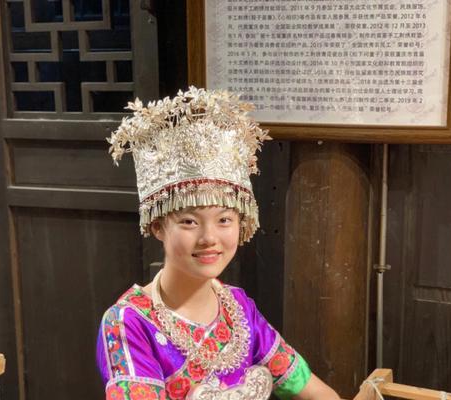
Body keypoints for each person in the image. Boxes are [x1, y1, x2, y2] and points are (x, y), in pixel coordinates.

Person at [97, 87, 341, 400]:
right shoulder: (129, 322)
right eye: (189, 221)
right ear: (157, 226)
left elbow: (311, 389)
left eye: (224, 220)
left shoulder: (238, 308)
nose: (209, 238)